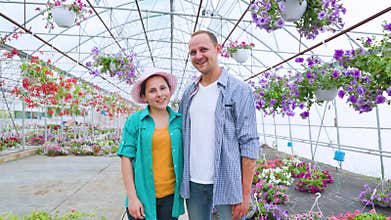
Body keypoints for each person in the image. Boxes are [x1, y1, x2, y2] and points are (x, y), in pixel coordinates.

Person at [179, 30, 260, 220]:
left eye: (203, 49)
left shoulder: (239, 90)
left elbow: (249, 143)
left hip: (228, 183)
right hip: (194, 183)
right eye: (193, 52)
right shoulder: (189, 93)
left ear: (218, 49)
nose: (198, 56)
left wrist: (245, 194)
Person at [117, 68, 184, 220]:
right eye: (152, 91)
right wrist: (132, 198)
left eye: (162, 88)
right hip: (142, 196)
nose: (159, 94)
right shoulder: (135, 121)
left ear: (169, 90)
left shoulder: (179, 121)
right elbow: (126, 158)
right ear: (145, 96)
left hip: (170, 197)